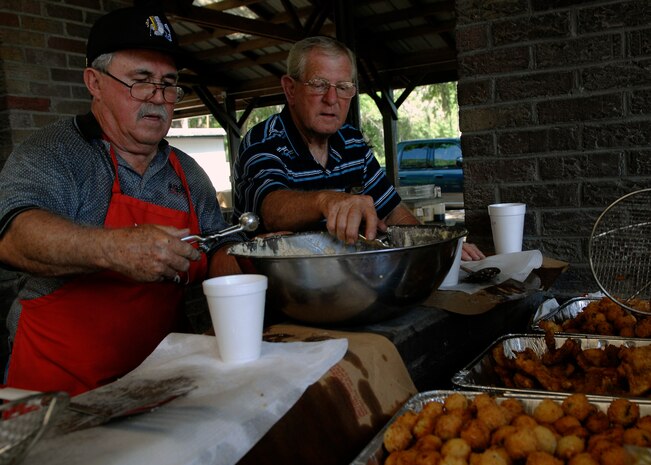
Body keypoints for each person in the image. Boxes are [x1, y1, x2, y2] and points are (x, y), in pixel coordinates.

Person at [0, 6, 244, 396]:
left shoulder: (188, 173)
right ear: (94, 82)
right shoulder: (53, 153)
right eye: (141, 81)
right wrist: (117, 249)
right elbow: (14, 235)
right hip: (56, 391)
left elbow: (215, 249)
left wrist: (256, 259)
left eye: (168, 84)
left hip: (159, 384)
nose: (158, 98)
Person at [232, 36, 484, 261]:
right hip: (281, 292)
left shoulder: (351, 141)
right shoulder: (263, 141)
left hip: (348, 280)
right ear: (290, 89)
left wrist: (437, 246)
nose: (332, 99)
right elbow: (272, 209)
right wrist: (326, 200)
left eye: (343, 87)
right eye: (319, 84)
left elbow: (393, 210)